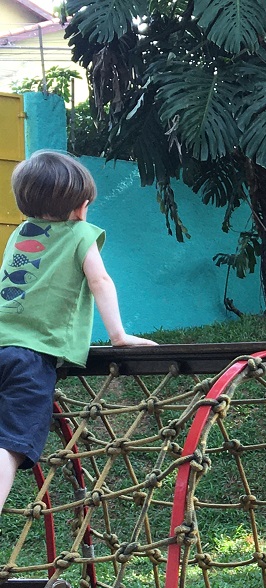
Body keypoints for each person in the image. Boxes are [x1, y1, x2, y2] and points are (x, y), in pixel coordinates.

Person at [0, 150, 156, 517]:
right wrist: (119, 335)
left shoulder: (19, 236)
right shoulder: (81, 233)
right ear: (82, 207)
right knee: (9, 444)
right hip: (30, 359)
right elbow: (99, 280)